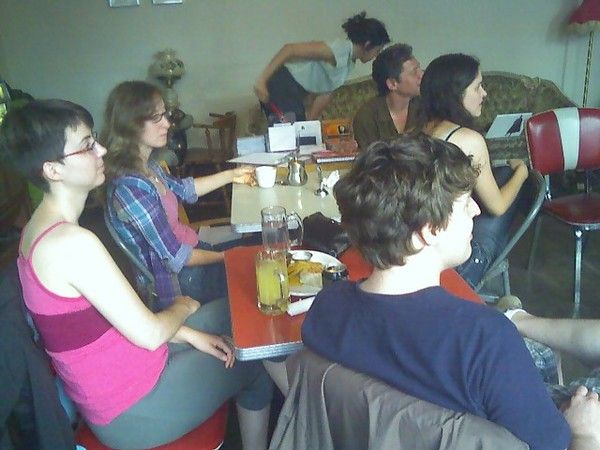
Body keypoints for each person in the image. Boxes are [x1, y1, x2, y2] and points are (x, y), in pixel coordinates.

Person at [0, 100, 272, 449]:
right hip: (131, 408)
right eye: (87, 145)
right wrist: (183, 307)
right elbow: (150, 333)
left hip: (129, 368)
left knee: (241, 316)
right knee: (253, 358)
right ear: (53, 170)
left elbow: (110, 324)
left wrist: (189, 334)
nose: (101, 150)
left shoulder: (35, 232)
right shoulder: (71, 244)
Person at [300, 134, 597, 449]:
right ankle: (518, 317)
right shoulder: (484, 340)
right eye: (465, 202)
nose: (476, 211)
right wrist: (585, 434)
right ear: (428, 230)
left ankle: (518, 316)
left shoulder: (326, 307)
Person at [101, 81, 254, 310]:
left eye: (165, 114)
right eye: (156, 118)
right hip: (182, 281)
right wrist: (226, 256)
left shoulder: (150, 167)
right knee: (259, 266)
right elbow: (176, 258)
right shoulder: (131, 191)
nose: (167, 123)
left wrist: (233, 175)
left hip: (195, 252)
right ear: (130, 125)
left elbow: (184, 189)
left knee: (264, 248)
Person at [419, 53, 529, 288]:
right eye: (477, 87)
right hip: (457, 261)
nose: (484, 93)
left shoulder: (418, 130)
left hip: (422, 244)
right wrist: (522, 172)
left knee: (498, 175)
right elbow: (497, 207)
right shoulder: (469, 139)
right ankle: (485, 277)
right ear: (456, 93)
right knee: (509, 177)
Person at [254, 11, 389, 122]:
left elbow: (326, 92)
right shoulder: (340, 49)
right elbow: (289, 49)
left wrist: (309, 121)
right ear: (367, 44)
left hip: (294, 91)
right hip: (283, 83)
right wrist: (261, 82)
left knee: (299, 136)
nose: (376, 55)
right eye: (377, 50)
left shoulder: (349, 62)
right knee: (289, 136)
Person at [352, 43, 422, 150]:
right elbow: (370, 157)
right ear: (392, 84)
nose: (421, 75)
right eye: (414, 72)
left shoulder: (426, 107)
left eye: (420, 69)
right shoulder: (367, 117)